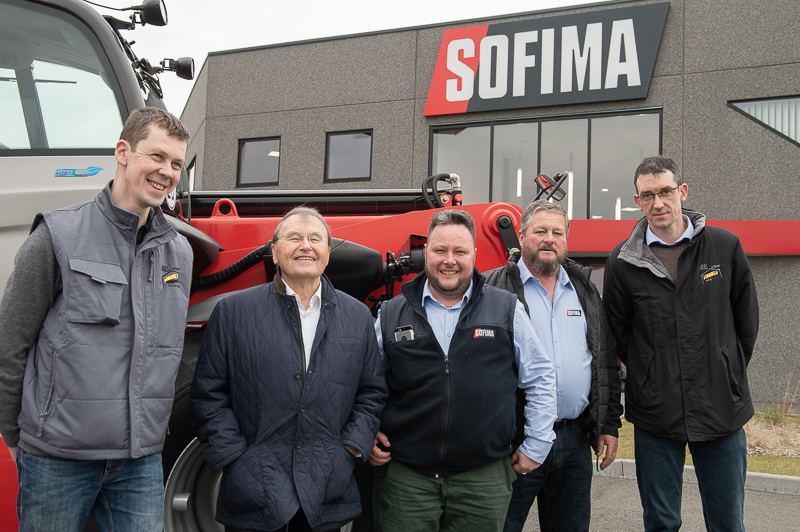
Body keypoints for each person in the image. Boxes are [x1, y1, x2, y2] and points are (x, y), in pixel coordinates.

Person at [0, 107, 193, 531]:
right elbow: (9, 344)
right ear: (122, 152)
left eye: (176, 163)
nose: (167, 172)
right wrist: (14, 436)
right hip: (57, 460)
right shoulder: (57, 235)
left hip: (139, 463)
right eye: (156, 157)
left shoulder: (179, 252)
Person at [190, 206, 387, 532]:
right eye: (294, 237)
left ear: (327, 253)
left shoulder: (357, 316)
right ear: (274, 252)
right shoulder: (233, 312)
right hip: (253, 492)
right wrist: (236, 459)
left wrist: (350, 449)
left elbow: (372, 392)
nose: (305, 245)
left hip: (326, 489)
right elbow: (208, 394)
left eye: (315, 239)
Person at [368, 209, 557, 532]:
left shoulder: (505, 308)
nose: (449, 260)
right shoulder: (390, 314)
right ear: (426, 252)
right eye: (440, 250)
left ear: (474, 254)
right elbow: (366, 383)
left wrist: (537, 444)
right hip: (406, 479)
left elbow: (540, 377)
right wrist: (366, 431)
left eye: (460, 251)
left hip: (483, 478)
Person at [603, 155, 759, 532]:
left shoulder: (724, 247)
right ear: (637, 201)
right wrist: (648, 376)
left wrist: (725, 370)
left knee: (727, 522)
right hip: (657, 414)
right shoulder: (622, 262)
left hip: (721, 408)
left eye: (665, 191)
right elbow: (617, 337)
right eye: (648, 195)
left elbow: (745, 322)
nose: (658, 203)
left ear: (682, 191)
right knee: (660, 522)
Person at [484, 199, 622, 532]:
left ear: (566, 240)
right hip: (514, 441)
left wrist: (609, 423)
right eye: (540, 231)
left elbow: (604, 359)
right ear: (521, 235)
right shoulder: (491, 288)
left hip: (573, 438)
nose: (549, 239)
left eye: (557, 232)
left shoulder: (584, 289)